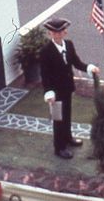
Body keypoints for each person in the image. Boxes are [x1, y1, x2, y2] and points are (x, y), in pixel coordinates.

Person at [40, 18, 100, 159]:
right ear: (50, 34)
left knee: (67, 115)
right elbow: (45, 74)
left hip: (67, 88)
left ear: (64, 32)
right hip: (55, 92)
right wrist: (49, 92)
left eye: (60, 32)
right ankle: (59, 147)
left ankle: (67, 138)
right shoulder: (45, 51)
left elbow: (76, 62)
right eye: (54, 33)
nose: (57, 35)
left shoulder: (69, 45)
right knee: (58, 119)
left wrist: (89, 68)